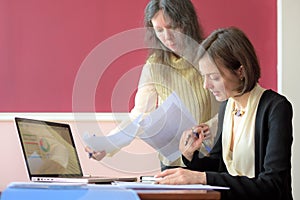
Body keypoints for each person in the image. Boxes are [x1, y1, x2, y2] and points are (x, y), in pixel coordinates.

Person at [155, 27, 293, 200]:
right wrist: (191, 156)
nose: (206, 85)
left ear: (240, 71)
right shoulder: (227, 106)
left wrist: (201, 178)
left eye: (214, 77)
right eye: (204, 76)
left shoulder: (276, 108)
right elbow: (220, 167)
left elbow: (273, 185)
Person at [85, 0, 219, 170]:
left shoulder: (210, 55)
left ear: (187, 23)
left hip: (209, 156)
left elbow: (231, 105)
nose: (167, 37)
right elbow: (139, 115)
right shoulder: (154, 65)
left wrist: (209, 128)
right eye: (159, 30)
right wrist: (108, 144)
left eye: (172, 27)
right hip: (173, 161)